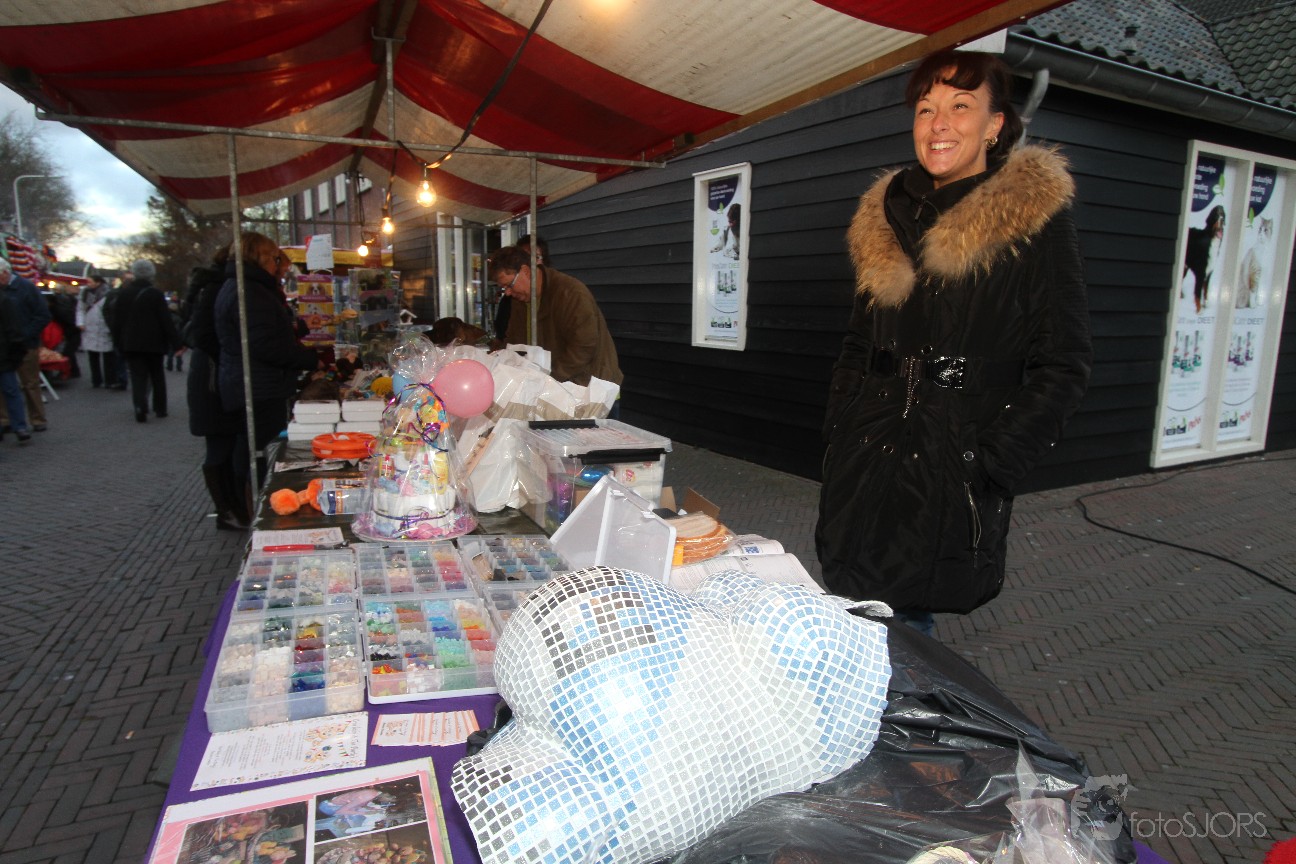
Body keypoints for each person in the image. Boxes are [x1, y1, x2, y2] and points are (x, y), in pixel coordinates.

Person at [814, 50, 1092, 636]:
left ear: (995, 125)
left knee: (906, 637)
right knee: (850, 619)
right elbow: (859, 343)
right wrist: (840, 429)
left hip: (950, 467)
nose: (938, 124)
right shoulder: (882, 216)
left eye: (960, 106)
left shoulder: (1032, 220)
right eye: (925, 109)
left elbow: (1064, 364)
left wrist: (988, 464)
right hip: (865, 457)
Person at [214, 232, 321, 496]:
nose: (278, 265)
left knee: (253, 448)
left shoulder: (246, 288)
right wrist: (311, 359)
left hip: (253, 384)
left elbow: (266, 336)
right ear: (262, 258)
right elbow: (265, 345)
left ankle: (251, 498)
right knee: (260, 450)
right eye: (275, 259)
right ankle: (260, 500)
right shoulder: (250, 292)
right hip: (259, 388)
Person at [487, 244, 622, 388]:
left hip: (591, 386)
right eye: (504, 288)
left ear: (526, 271)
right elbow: (514, 340)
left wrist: (549, 378)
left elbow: (583, 347)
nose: (508, 293)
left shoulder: (571, 293)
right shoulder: (521, 298)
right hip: (557, 383)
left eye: (509, 285)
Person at [184, 245, 248, 530]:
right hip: (214, 382)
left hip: (216, 378)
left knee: (224, 446)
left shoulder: (213, 287)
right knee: (221, 447)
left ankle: (230, 508)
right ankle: (227, 509)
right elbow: (203, 335)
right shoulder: (219, 289)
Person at [116, 259, 183, 422]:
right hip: (154, 342)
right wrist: (176, 343)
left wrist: (118, 342)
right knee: (157, 375)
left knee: (137, 376)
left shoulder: (124, 294)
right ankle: (160, 408)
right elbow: (166, 321)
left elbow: (117, 321)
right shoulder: (156, 294)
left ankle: (140, 406)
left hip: (132, 342)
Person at [0, 257, 51, 433]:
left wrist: (25, 335)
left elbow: (43, 315)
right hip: (4, 346)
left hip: (26, 345)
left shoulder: (26, 288)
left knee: (30, 383)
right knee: (4, 384)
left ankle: (37, 419)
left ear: (5, 273)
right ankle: (5, 420)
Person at [0, 290, 32, 444]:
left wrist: (15, 354)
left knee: (11, 390)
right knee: (11, 391)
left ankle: (19, 426)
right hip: (5, 355)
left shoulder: (4, 300)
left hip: (3, 356)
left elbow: (13, 328)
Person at [77, 274, 119, 388]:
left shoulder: (109, 293)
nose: (88, 284)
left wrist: (111, 325)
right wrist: (80, 322)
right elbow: (80, 309)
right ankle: (96, 380)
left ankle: (109, 380)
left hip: (104, 327)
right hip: (90, 327)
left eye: (90, 282)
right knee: (92, 356)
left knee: (108, 356)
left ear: (98, 282)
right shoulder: (85, 293)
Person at [165, 301, 186, 371]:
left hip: (170, 336)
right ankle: (179, 366)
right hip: (178, 336)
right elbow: (181, 328)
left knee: (170, 352)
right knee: (178, 352)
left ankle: (169, 365)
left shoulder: (167, 318)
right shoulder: (179, 318)